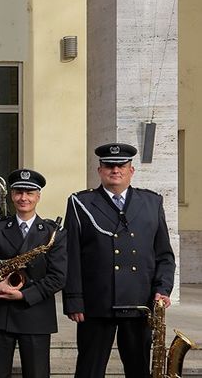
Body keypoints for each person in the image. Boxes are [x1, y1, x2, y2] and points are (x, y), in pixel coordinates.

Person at [63, 143, 175, 378]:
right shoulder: (81, 203)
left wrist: (162, 289)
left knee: (138, 370)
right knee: (89, 371)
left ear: (131, 170)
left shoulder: (152, 202)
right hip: (96, 303)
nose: (115, 170)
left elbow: (164, 255)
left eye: (121, 165)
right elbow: (71, 255)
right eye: (109, 166)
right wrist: (74, 300)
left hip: (139, 302)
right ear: (100, 170)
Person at [0, 169, 67, 378]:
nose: (24, 198)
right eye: (19, 192)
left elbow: (58, 277)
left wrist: (24, 295)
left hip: (36, 315)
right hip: (1, 314)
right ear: (12, 195)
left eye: (29, 193)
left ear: (38, 196)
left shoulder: (53, 233)